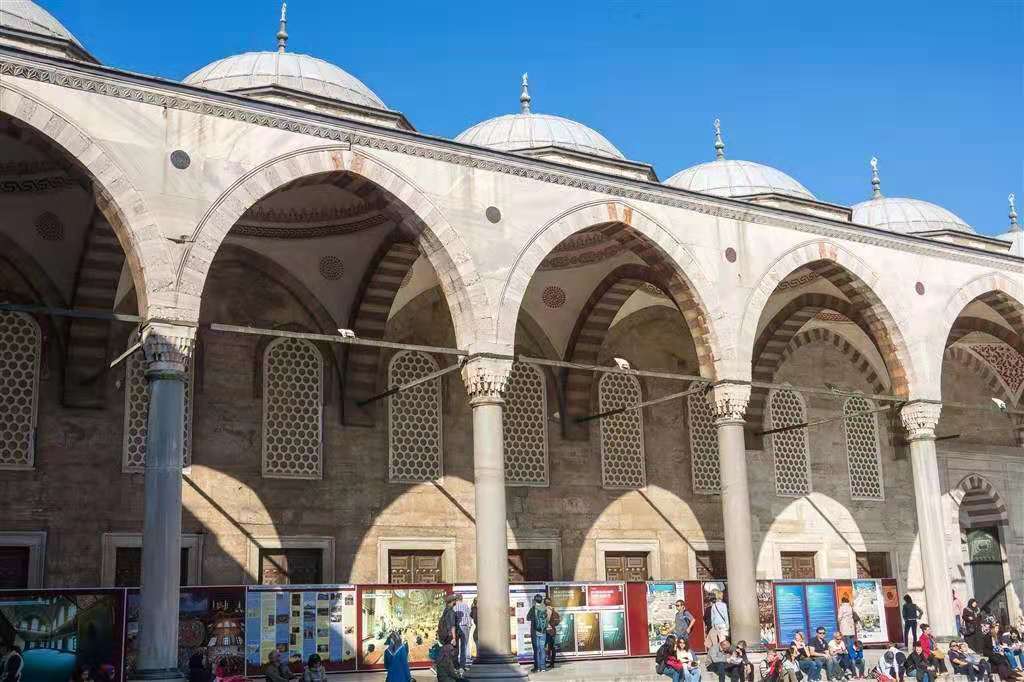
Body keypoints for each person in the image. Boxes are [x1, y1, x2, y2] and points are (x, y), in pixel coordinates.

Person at [526, 593, 549, 673]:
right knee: (542, 649)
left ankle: (538, 667)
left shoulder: (533, 609)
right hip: (543, 632)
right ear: (541, 600)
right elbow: (547, 620)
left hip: (535, 632)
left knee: (537, 650)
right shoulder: (545, 608)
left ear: (535, 600)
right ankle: (543, 667)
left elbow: (528, 618)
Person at [453, 593, 472, 671]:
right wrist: (469, 626)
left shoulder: (454, 607)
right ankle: (462, 665)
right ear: (461, 598)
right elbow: (468, 616)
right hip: (464, 627)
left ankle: (456, 665)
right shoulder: (465, 605)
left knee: (456, 646)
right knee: (464, 646)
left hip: (456, 628)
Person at [544, 596, 560, 670]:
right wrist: (552, 625)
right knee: (551, 648)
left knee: (546, 647)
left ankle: (547, 663)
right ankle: (551, 663)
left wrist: (550, 625)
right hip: (551, 631)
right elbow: (558, 620)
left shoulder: (545, 610)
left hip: (547, 631)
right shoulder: (553, 609)